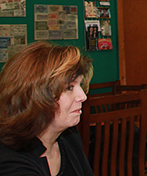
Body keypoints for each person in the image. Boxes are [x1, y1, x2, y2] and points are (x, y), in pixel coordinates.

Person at [0, 41, 94, 176]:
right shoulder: (10, 163)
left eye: (80, 85)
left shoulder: (68, 136)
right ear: (35, 97)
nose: (83, 96)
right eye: (69, 88)